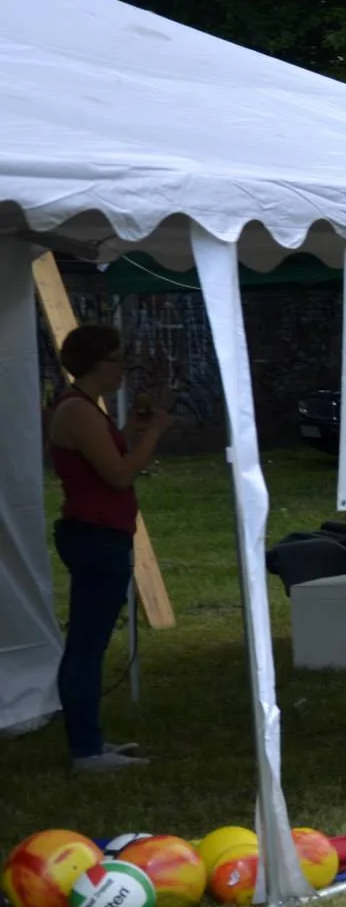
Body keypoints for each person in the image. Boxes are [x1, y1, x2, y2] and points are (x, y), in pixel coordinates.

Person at [44, 324, 169, 772]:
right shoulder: (77, 410)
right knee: (86, 645)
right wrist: (152, 434)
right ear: (96, 363)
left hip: (99, 533)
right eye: (117, 360)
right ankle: (86, 749)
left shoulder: (84, 409)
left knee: (89, 642)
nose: (122, 370)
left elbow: (104, 463)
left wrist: (129, 432)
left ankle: (91, 740)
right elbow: (117, 475)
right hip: (95, 536)